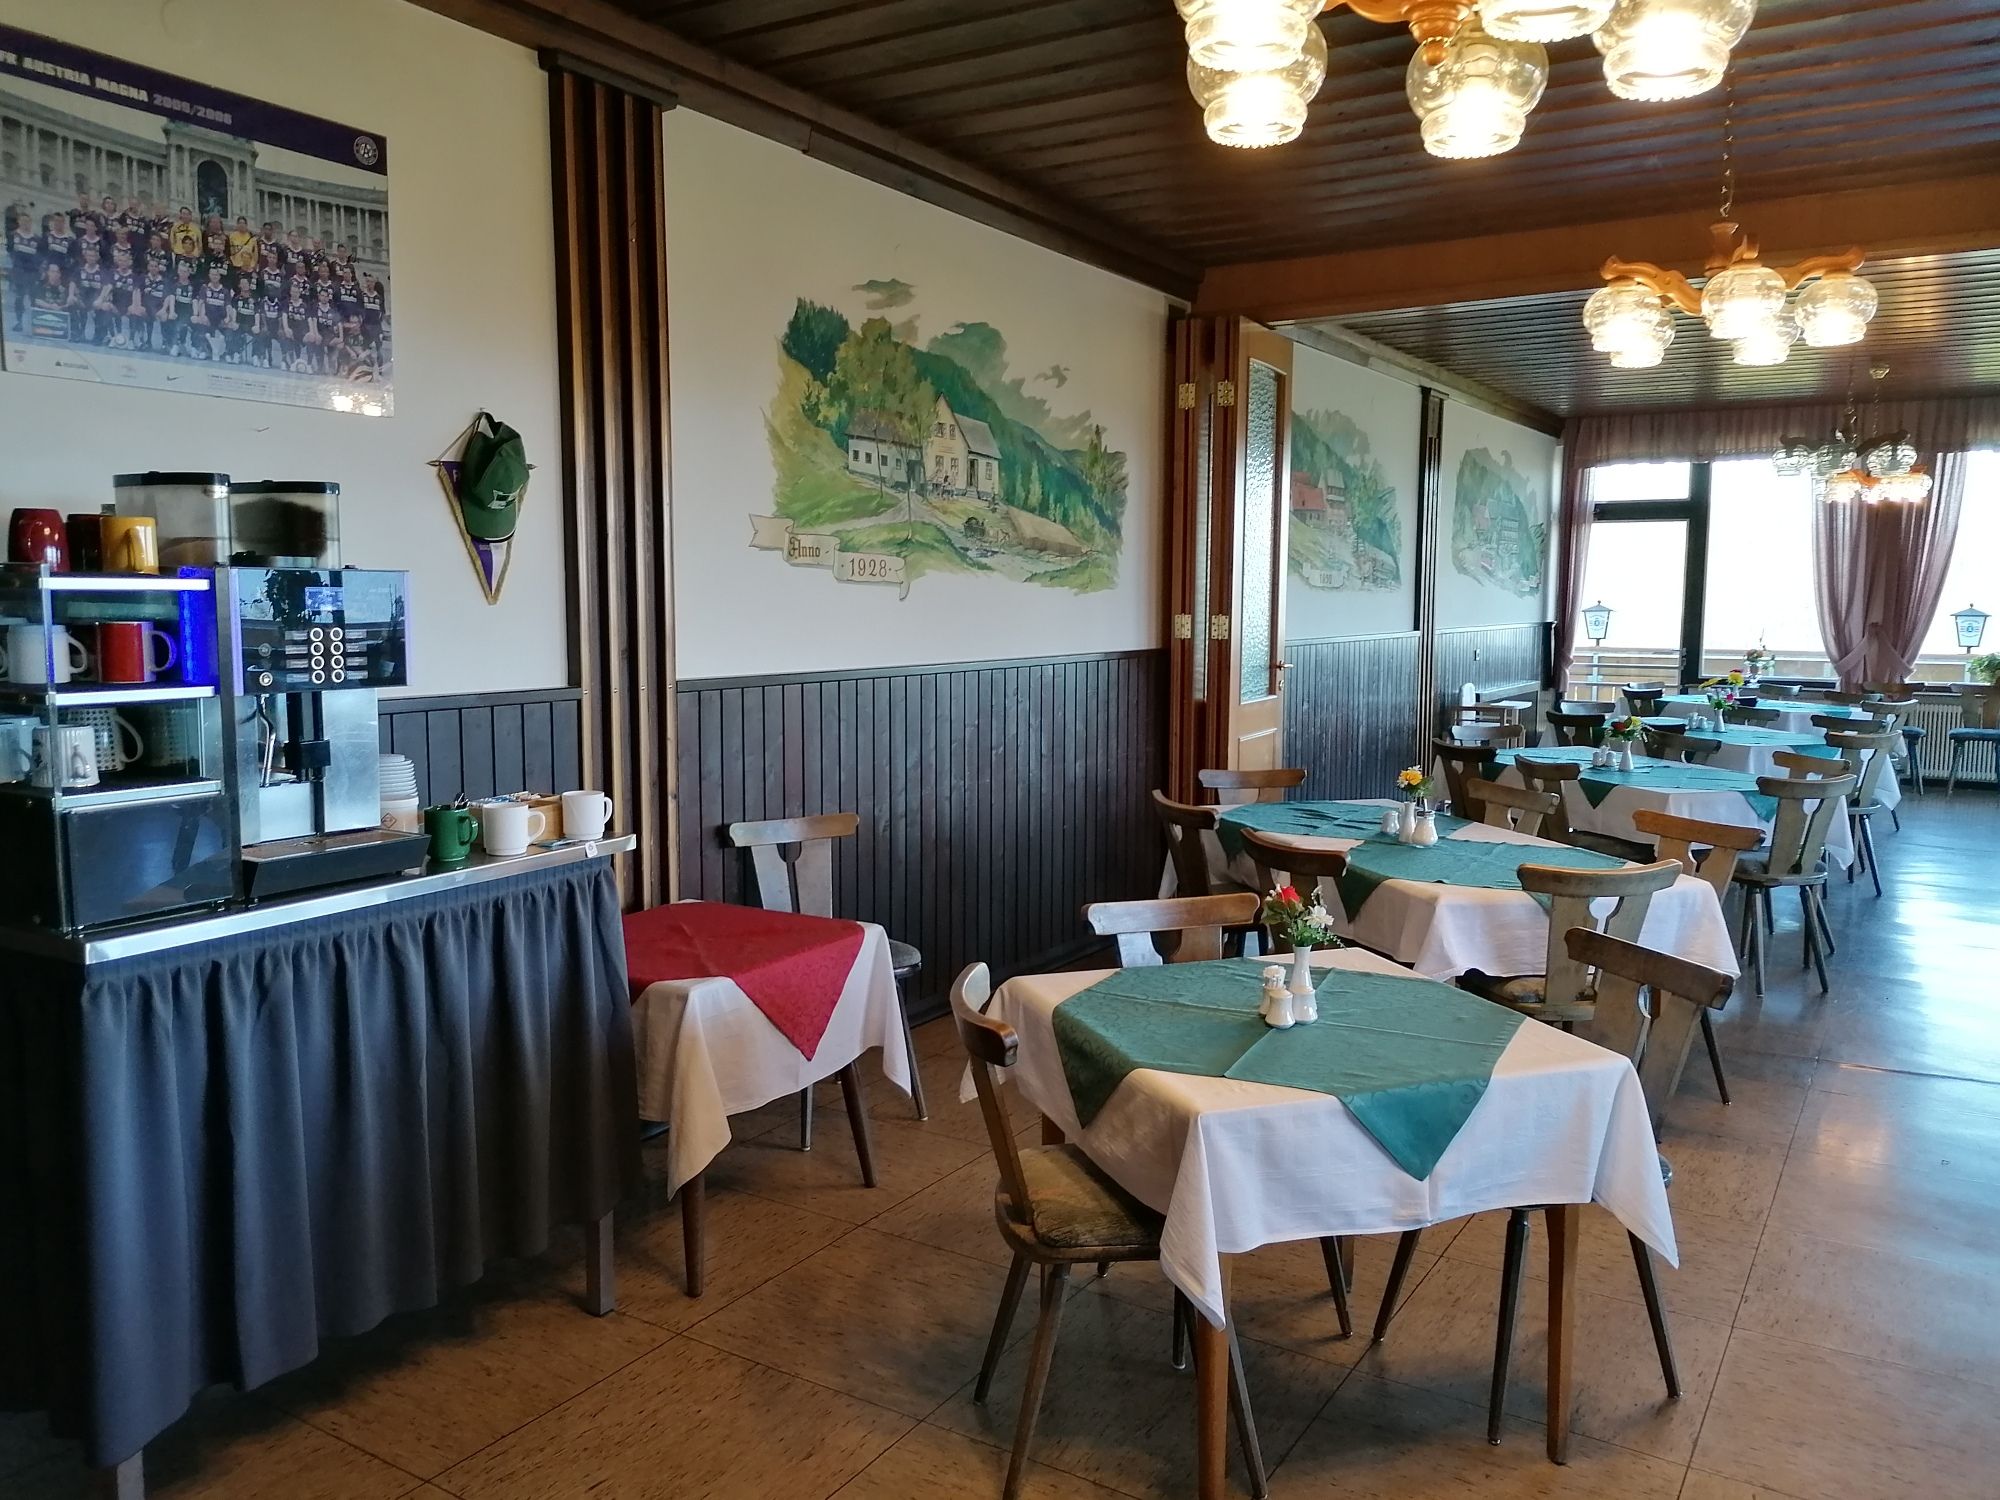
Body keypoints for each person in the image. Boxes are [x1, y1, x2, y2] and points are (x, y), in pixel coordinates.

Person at [9, 209, 43, 332]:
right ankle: (19, 322)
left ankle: (36, 324)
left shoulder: (37, 239)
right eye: (23, 221)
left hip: (33, 273)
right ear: (19, 222)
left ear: (31, 222)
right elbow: (10, 251)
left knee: (34, 298)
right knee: (19, 297)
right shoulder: (13, 235)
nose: (25, 223)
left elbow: (40, 255)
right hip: (18, 272)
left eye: (27, 221)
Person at [193, 262, 230, 359]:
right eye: (212, 274)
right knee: (201, 326)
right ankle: (204, 350)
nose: (214, 276)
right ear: (209, 275)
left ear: (219, 276)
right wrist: (202, 315)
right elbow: (201, 302)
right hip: (208, 318)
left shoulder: (225, 291)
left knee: (230, 330)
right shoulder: (205, 288)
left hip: (221, 319)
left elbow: (228, 306)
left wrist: (228, 318)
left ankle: (229, 353)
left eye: (216, 274)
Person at [32, 259, 76, 337]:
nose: (55, 274)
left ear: (60, 274)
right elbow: (37, 300)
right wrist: (50, 307)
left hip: (60, 314)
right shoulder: (40, 284)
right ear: (48, 272)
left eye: (57, 272)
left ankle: (73, 332)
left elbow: (68, 303)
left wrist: (60, 307)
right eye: (52, 271)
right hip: (44, 315)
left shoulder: (65, 287)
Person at [166, 261, 197, 357]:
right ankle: (175, 345)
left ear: (188, 273)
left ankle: (192, 347)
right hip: (177, 310)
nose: (183, 274)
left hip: (188, 311)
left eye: (185, 272)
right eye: (181, 271)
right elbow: (171, 298)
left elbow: (195, 301)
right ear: (178, 272)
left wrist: (195, 315)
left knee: (188, 323)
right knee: (175, 323)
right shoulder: (174, 285)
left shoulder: (193, 286)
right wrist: (172, 311)